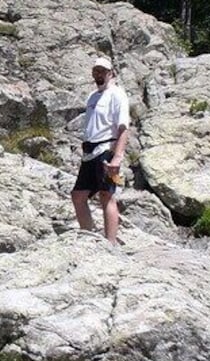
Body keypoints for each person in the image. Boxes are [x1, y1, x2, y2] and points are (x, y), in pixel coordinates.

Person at [71, 56, 130, 244]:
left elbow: (123, 128)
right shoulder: (92, 97)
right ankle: (88, 236)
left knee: (107, 195)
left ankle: (110, 243)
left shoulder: (117, 94)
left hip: (106, 150)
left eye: (102, 71)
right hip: (89, 152)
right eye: (96, 71)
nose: (98, 74)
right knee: (78, 195)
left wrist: (117, 158)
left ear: (110, 73)